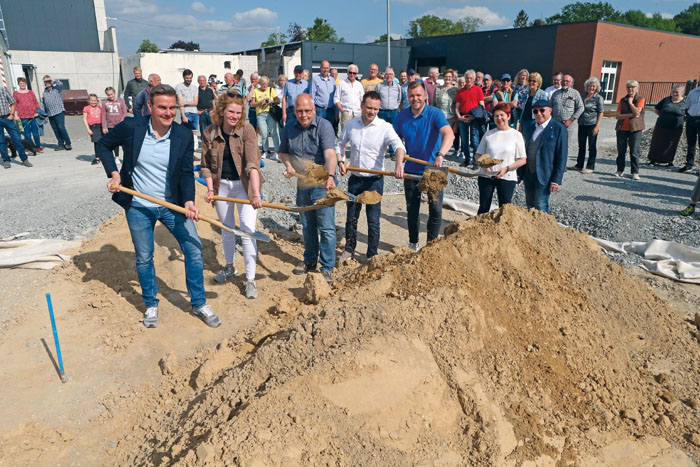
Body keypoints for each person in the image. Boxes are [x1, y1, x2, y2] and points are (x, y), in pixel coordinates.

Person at [98, 84, 221, 328]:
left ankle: (198, 303)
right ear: (150, 108)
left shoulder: (183, 135)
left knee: (194, 249)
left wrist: (188, 201)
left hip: (172, 205)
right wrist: (114, 173)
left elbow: (186, 172)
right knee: (144, 257)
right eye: (162, 107)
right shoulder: (132, 127)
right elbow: (102, 145)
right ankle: (151, 304)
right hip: (139, 205)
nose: (168, 113)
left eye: (172, 108)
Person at [201, 94, 264, 299]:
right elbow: (206, 166)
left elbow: (253, 164)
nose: (235, 116)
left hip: (244, 186)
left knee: (247, 231)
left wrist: (255, 194)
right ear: (221, 112)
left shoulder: (247, 130)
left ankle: (251, 279)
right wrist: (211, 190)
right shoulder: (210, 132)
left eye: (238, 112)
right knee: (227, 230)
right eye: (231, 112)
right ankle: (229, 267)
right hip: (222, 187)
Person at [336, 91, 405, 262]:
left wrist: (398, 164)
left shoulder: (385, 127)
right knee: (351, 216)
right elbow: (339, 144)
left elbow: (398, 146)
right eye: (369, 108)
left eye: (375, 109)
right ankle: (349, 249)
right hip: (355, 179)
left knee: (373, 220)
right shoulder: (351, 125)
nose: (371, 112)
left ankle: (372, 254)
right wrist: (340, 161)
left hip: (374, 180)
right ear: (362, 106)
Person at [280, 94, 338, 282]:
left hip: (322, 181)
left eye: (307, 111)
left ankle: (327, 266)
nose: (303, 115)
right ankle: (310, 261)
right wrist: (288, 165)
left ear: (314, 110)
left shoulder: (324, 126)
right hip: (302, 182)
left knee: (326, 226)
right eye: (299, 111)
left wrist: (330, 176)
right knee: (307, 224)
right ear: (294, 111)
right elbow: (283, 152)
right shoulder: (289, 128)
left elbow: (330, 154)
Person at [394, 81, 455, 251]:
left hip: (434, 170)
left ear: (425, 96)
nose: (415, 99)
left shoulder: (435, 113)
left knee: (435, 210)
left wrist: (440, 154)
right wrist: (399, 162)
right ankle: (413, 243)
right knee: (412, 210)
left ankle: (432, 245)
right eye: (412, 96)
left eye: (419, 95)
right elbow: (396, 141)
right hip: (412, 170)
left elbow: (449, 134)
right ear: (408, 97)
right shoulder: (402, 116)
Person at [475, 103, 526, 214]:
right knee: (483, 207)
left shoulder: (516, 135)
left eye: (502, 115)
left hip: (507, 176)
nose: (499, 118)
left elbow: (522, 159)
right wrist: (485, 165)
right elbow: (478, 154)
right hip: (486, 175)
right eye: (496, 116)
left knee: (504, 209)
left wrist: (506, 168)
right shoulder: (489, 134)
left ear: (508, 116)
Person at [518, 100, 567, 213]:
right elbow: (524, 150)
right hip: (529, 173)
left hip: (545, 174)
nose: (538, 113)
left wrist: (556, 180)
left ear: (550, 110)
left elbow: (562, 156)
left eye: (542, 110)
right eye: (535, 111)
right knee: (530, 204)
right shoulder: (530, 126)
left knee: (540, 205)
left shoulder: (558, 128)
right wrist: (520, 173)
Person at [571, 77, 604, 173]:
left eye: (593, 86)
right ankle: (579, 165)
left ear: (596, 87)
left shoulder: (598, 98)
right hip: (582, 123)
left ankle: (590, 166)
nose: (591, 88)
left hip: (592, 124)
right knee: (581, 145)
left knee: (592, 146)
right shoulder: (583, 96)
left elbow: (601, 112)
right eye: (590, 86)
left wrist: (597, 127)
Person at [648, 85, 686, 167]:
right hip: (661, 126)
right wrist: (663, 116)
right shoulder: (666, 100)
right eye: (673, 91)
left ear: (682, 93)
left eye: (677, 92)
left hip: (676, 128)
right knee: (657, 142)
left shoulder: (685, 102)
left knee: (672, 144)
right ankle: (653, 160)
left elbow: (688, 114)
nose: (674, 93)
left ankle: (669, 161)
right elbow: (656, 109)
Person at [615, 80, 645, 180]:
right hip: (622, 128)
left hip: (635, 129)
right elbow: (618, 116)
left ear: (637, 88)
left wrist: (631, 103)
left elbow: (638, 112)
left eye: (633, 87)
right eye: (628, 87)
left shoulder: (641, 99)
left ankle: (635, 172)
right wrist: (631, 114)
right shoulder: (622, 100)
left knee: (634, 151)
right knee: (621, 151)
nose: (630, 89)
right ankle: (620, 170)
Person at [455, 69, 485, 167]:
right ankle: (467, 160)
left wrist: (474, 116)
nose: (468, 80)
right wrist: (459, 117)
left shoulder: (478, 89)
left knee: (475, 140)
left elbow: (482, 106)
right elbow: (457, 107)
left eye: (470, 78)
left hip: (474, 118)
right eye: (467, 78)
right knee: (464, 140)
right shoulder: (460, 91)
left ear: (474, 79)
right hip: (463, 117)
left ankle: (475, 162)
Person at [0, 86, 32, 168]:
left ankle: (24, 159)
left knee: (16, 139)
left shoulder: (3, 90)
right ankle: (6, 160)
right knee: (1, 142)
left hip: (7, 118)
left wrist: (11, 114)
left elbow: (12, 103)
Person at [251, 75, 280, 160]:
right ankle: (266, 151)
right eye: (263, 84)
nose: (265, 86)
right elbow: (252, 104)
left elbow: (278, 101)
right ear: (260, 83)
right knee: (264, 133)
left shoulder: (271, 90)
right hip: (260, 114)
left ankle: (277, 151)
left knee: (273, 132)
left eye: (266, 84)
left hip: (270, 113)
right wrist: (260, 102)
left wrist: (271, 101)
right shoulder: (256, 91)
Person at [375, 67, 402, 158]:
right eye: (387, 74)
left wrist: (395, 107)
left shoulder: (398, 87)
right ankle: (380, 151)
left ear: (394, 76)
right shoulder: (379, 86)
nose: (389, 76)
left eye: (391, 74)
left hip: (394, 112)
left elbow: (399, 99)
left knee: (393, 132)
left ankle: (392, 152)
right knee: (380, 132)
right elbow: (376, 98)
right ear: (384, 76)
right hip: (382, 112)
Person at [41, 75, 72, 150]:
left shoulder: (56, 89)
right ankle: (60, 144)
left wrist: (52, 79)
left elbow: (60, 84)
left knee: (61, 127)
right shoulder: (44, 92)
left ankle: (68, 143)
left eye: (48, 81)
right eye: (46, 81)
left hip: (59, 111)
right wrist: (45, 115)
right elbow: (44, 104)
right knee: (55, 129)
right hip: (50, 113)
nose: (47, 83)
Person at [550, 74, 584, 143]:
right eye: (563, 81)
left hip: (568, 124)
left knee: (565, 144)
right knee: (554, 143)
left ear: (571, 83)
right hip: (556, 123)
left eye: (567, 81)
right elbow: (550, 107)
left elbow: (581, 107)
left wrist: (571, 120)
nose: (565, 83)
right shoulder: (555, 93)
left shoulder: (575, 93)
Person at [13, 77, 42, 152]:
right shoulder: (16, 93)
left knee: (35, 132)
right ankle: (29, 147)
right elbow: (14, 105)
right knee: (27, 132)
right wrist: (15, 115)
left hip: (33, 115)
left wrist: (37, 112)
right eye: (21, 83)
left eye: (24, 83)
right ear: (19, 84)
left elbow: (36, 102)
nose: (22, 84)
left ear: (26, 84)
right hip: (23, 115)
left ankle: (38, 146)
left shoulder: (30, 92)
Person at [101, 86, 127, 165]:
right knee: (115, 142)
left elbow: (125, 113)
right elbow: (103, 115)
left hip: (121, 124)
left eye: (112, 94)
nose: (110, 96)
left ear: (114, 93)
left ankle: (126, 157)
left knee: (124, 142)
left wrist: (122, 121)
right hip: (111, 125)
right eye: (108, 95)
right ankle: (116, 157)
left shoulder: (121, 101)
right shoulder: (105, 103)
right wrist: (104, 126)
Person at [335, 64, 364, 134]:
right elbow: (336, 98)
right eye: (350, 72)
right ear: (347, 73)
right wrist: (341, 110)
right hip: (346, 113)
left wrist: (362, 109)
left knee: (357, 133)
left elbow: (363, 99)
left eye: (354, 73)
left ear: (356, 74)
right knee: (345, 134)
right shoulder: (341, 84)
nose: (352, 74)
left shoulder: (359, 85)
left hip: (357, 113)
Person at [433, 68, 458, 150]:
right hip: (440, 116)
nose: (448, 78)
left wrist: (456, 117)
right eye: (446, 76)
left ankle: (443, 154)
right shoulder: (438, 89)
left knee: (447, 136)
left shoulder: (455, 90)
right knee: (438, 136)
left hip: (451, 117)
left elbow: (458, 105)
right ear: (443, 77)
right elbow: (434, 103)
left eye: (450, 77)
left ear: (452, 78)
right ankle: (438, 154)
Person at [175, 69, 199, 148]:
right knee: (185, 133)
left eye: (190, 78)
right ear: (184, 77)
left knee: (194, 133)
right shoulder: (179, 87)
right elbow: (180, 102)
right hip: (186, 113)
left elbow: (195, 102)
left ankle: (193, 152)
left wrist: (185, 102)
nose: (189, 79)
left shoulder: (195, 87)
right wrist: (183, 115)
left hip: (195, 113)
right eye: (187, 78)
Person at [309, 60, 336, 126]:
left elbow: (336, 96)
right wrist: (312, 110)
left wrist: (336, 111)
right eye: (324, 68)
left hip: (331, 110)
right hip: (320, 110)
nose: (326, 70)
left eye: (327, 68)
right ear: (320, 68)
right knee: (319, 128)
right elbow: (311, 96)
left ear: (329, 69)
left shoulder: (332, 80)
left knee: (330, 129)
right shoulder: (315, 79)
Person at [682, 85, 700, 173]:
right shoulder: (693, 92)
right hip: (691, 119)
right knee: (691, 143)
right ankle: (689, 164)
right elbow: (687, 105)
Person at [83, 93, 103, 165]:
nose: (93, 102)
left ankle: (104, 156)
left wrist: (100, 102)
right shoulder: (86, 108)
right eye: (92, 100)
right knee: (97, 142)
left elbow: (103, 110)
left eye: (95, 100)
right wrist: (88, 129)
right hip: (93, 126)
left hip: (101, 125)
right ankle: (97, 157)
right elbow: (84, 119)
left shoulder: (99, 107)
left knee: (103, 142)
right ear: (88, 100)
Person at [197, 75, 216, 139]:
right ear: (198, 81)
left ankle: (212, 144)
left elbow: (213, 100)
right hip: (201, 113)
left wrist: (214, 109)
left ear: (206, 81)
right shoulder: (196, 91)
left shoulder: (210, 90)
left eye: (203, 80)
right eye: (200, 80)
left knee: (212, 129)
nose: (202, 82)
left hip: (210, 112)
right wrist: (197, 111)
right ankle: (204, 145)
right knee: (203, 130)